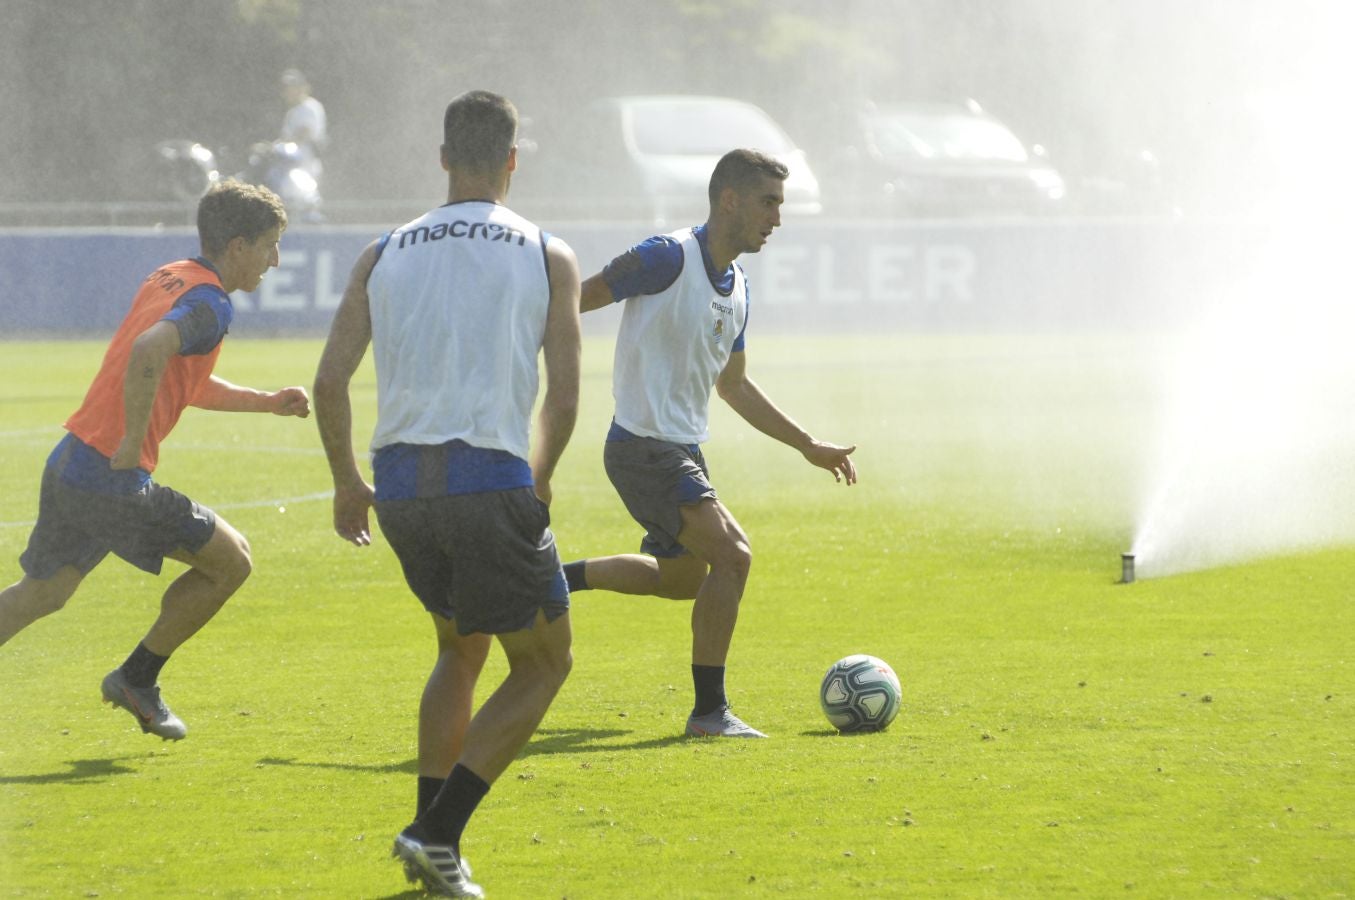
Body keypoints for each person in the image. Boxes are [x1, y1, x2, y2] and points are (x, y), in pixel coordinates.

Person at [314, 89, 580, 898]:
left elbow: (329, 382)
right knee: (543, 663)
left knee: (457, 650)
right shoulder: (544, 251)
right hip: (487, 479)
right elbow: (562, 398)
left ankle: (439, 856)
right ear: (511, 160)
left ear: (441, 158)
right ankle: (436, 831)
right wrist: (537, 478)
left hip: (399, 488)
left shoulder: (383, 250)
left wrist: (347, 483)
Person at [561, 148, 857, 740]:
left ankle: (553, 576)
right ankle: (708, 713)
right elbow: (573, 301)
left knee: (682, 582)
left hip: (682, 449)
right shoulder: (665, 257)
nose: (777, 217)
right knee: (735, 556)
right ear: (729, 200)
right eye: (768, 202)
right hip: (643, 446)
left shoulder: (738, 285)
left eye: (780, 204)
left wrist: (807, 445)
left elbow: (735, 386)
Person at [0, 180, 308, 741]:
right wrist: (131, 445)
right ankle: (137, 679)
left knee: (42, 594)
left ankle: (137, 679)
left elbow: (177, 373)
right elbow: (148, 352)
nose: (275, 259)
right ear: (237, 246)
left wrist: (263, 403)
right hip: (112, 478)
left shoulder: (171, 275)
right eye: (269, 245)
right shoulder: (211, 302)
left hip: (72, 460)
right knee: (232, 561)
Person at [278, 68, 327, 180]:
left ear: (302, 88)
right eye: (286, 88)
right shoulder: (292, 112)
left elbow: (304, 133)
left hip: (306, 166)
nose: (288, 91)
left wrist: (278, 146)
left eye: (292, 87)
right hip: (289, 166)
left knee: (301, 196)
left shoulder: (310, 107)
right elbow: (285, 138)